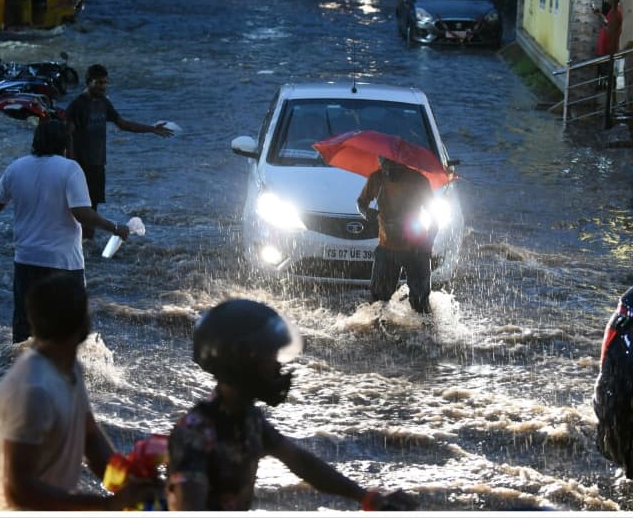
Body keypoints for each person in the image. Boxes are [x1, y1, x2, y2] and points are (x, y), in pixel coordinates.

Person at [166, 299, 418, 511]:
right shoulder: (196, 431)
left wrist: (367, 498)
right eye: (270, 360)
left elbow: (302, 463)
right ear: (240, 360)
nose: (278, 369)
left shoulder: (249, 420)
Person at [0, 273, 159, 510]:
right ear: (83, 324)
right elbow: (19, 491)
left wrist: (128, 483)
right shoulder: (33, 390)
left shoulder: (68, 366)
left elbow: (91, 438)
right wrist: (107, 506)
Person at [0, 120, 130, 343]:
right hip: (63, 264)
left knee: (25, 332)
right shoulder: (70, 169)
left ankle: (22, 374)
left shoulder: (16, 167)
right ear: (65, 142)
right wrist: (116, 228)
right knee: (68, 332)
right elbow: (82, 213)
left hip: (27, 262)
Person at [66, 64, 173, 239]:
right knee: (79, 210)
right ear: (88, 82)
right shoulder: (77, 106)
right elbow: (67, 136)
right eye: (99, 82)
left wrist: (152, 129)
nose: (103, 86)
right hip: (80, 166)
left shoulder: (103, 103)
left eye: (105, 83)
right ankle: (76, 246)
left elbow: (124, 125)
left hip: (97, 165)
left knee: (92, 209)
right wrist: (71, 166)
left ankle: (88, 247)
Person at [357, 157, 438, 314]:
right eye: (385, 166)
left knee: (420, 303)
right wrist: (366, 212)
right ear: (381, 163)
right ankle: (378, 334)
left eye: (394, 166)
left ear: (403, 163)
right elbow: (360, 202)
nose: (389, 170)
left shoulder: (419, 181)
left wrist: (427, 245)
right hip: (387, 247)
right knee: (378, 302)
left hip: (416, 248)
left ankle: (427, 335)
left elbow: (434, 220)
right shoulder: (376, 178)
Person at [594, 0, 623, 90]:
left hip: (607, 48)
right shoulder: (613, 10)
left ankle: (611, 100)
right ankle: (610, 96)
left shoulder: (616, 11)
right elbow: (608, 23)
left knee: (609, 74)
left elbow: (611, 29)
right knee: (606, 73)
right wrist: (600, 15)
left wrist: (605, 26)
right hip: (605, 47)